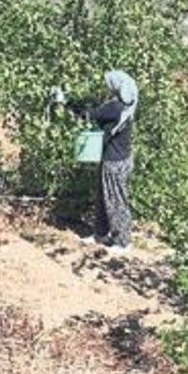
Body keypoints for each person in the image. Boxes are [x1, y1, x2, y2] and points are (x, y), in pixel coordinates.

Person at [64, 70, 138, 253]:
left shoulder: (115, 107)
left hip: (114, 161)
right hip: (120, 159)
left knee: (115, 199)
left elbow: (89, 115)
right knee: (104, 197)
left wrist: (65, 102)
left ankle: (122, 241)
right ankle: (101, 233)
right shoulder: (127, 105)